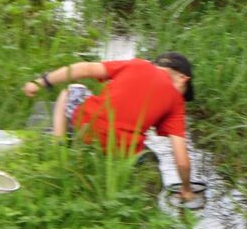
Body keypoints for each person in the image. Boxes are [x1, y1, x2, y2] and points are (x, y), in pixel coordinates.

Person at [23, 52, 196, 201]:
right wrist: (186, 189)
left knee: (71, 90)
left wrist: (41, 82)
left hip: (88, 127)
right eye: (185, 93)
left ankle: (58, 142)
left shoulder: (137, 65)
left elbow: (84, 69)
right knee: (144, 151)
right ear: (183, 78)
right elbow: (181, 160)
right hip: (123, 152)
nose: (183, 98)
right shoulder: (177, 102)